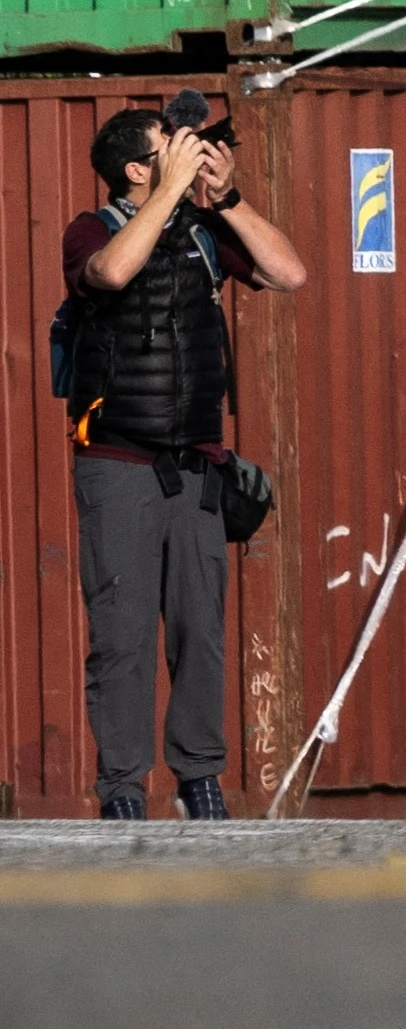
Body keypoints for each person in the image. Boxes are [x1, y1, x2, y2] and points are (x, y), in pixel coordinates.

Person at [55, 95, 295, 820]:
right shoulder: (90, 229)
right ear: (135, 167)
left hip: (194, 466)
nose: (186, 147)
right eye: (169, 142)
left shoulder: (200, 231)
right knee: (122, 634)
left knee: (202, 631)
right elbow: (113, 274)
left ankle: (200, 779)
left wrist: (229, 198)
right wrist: (169, 195)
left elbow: (289, 273)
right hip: (118, 463)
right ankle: (124, 789)